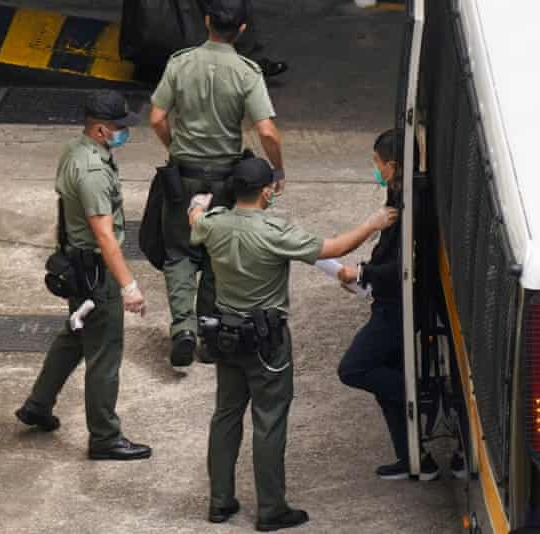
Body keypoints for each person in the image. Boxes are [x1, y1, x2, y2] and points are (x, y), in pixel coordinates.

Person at [187, 158, 398, 530]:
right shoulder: (274, 230)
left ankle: (220, 502)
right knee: (268, 421)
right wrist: (372, 224)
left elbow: (195, 221)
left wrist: (197, 205)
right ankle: (270, 509)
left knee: (225, 415)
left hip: (225, 335)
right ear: (266, 191)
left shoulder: (213, 225)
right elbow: (331, 249)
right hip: (266, 341)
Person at [15, 90, 151, 461]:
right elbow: (105, 235)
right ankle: (105, 437)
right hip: (95, 271)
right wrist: (129, 286)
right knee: (105, 354)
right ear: (101, 129)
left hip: (76, 263)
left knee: (75, 335)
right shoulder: (91, 171)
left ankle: (38, 405)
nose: (125, 131)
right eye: (120, 126)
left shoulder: (75, 151)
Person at [149, 0, 287, 367]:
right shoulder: (247, 72)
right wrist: (277, 169)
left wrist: (174, 147)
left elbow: (157, 117)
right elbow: (267, 130)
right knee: (215, 255)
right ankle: (210, 335)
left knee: (178, 252)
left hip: (182, 175)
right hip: (227, 179)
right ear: (242, 29)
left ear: (206, 21)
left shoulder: (180, 63)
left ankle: (182, 329)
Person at [336, 129, 439, 480]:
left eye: (377, 163)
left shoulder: (414, 204)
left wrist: (363, 271)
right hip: (390, 299)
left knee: (355, 368)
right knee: (385, 385)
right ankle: (414, 459)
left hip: (399, 307)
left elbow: (406, 266)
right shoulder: (399, 194)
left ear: (392, 166)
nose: (374, 168)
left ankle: (420, 394)